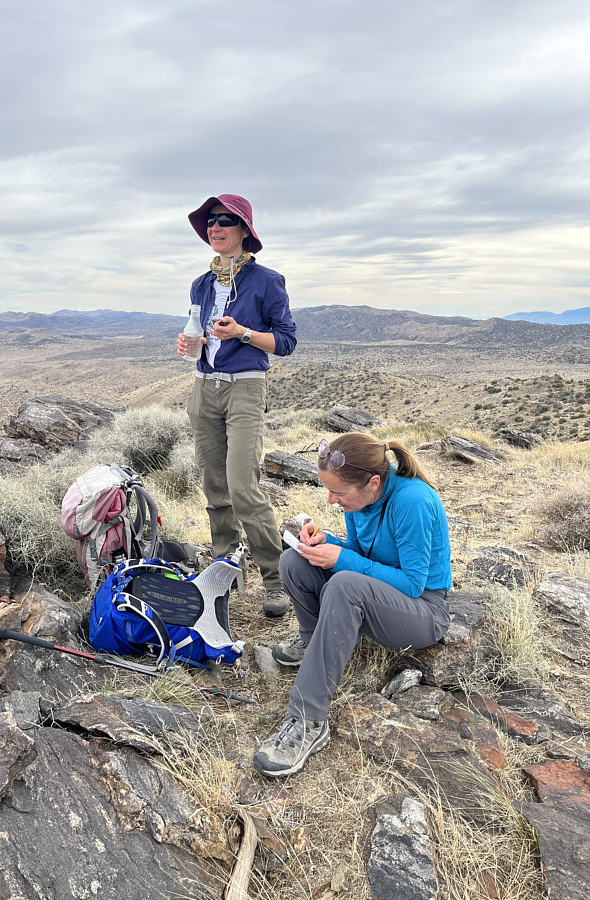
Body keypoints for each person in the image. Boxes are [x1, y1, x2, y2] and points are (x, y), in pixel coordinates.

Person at [253, 432, 452, 777]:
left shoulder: (413, 502)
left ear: (373, 482)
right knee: (294, 563)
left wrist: (341, 559)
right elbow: (361, 552)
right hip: (383, 596)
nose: (331, 500)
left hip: (424, 611)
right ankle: (315, 640)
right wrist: (326, 543)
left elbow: (413, 584)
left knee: (345, 584)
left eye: (338, 492)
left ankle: (308, 720)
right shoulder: (359, 501)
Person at [177, 194, 297, 617]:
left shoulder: (267, 281)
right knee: (214, 486)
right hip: (203, 387)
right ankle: (224, 570)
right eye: (210, 221)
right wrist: (191, 345)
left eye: (225, 220)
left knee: (243, 488)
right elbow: (200, 336)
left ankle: (277, 579)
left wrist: (243, 333)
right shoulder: (202, 283)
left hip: (246, 388)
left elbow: (285, 342)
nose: (215, 227)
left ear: (245, 229)